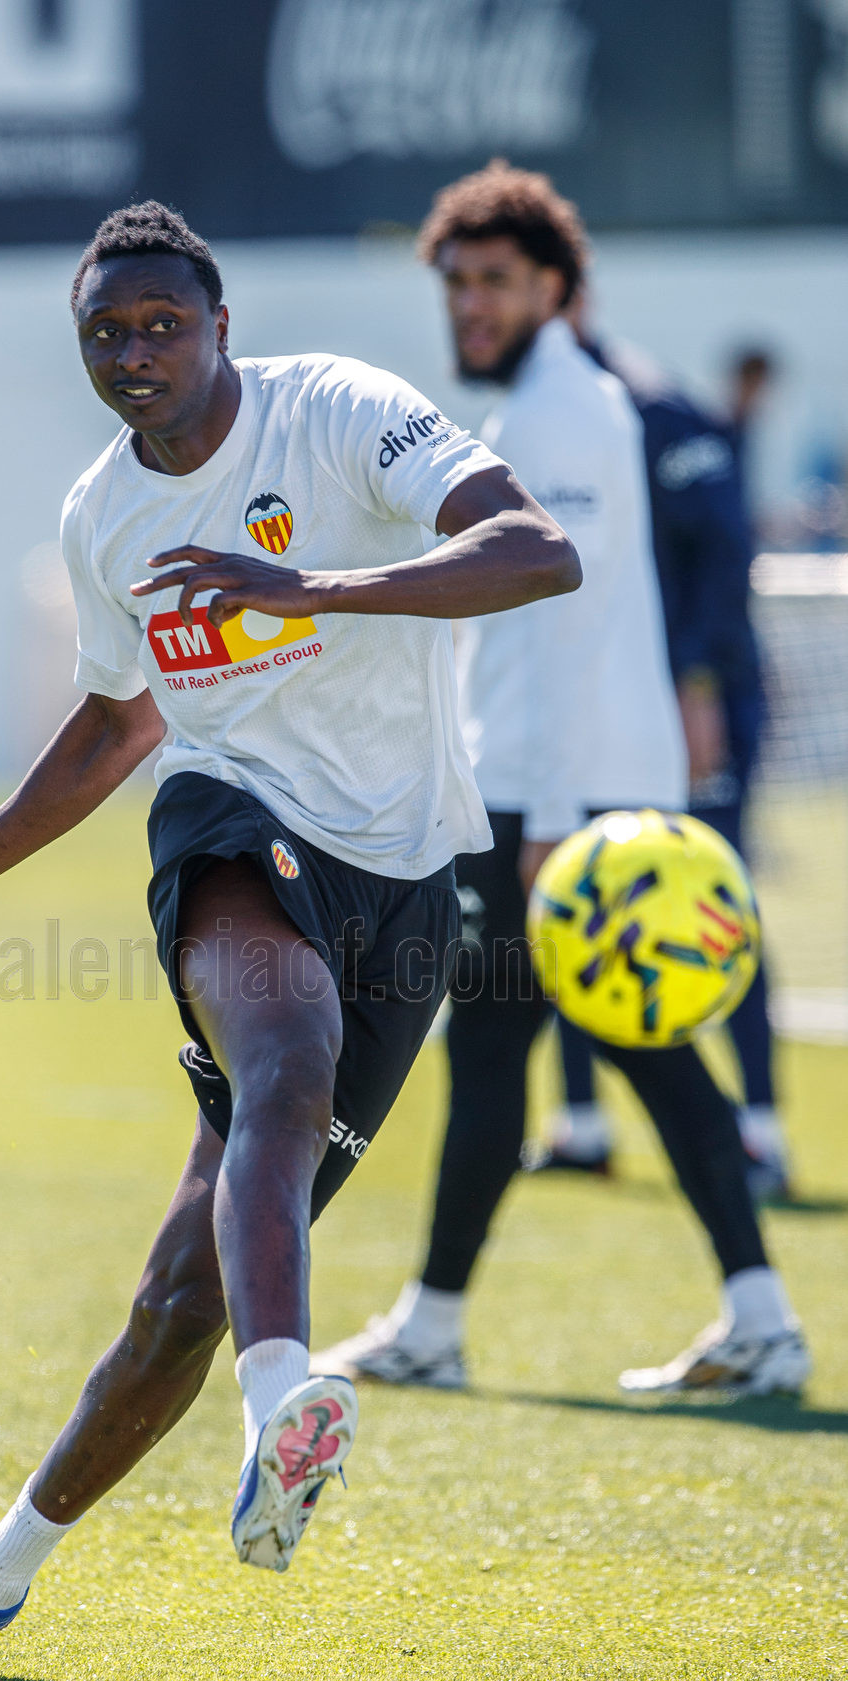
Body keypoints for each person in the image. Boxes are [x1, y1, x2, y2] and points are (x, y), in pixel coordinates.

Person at [0, 200, 581, 1681]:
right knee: (283, 1054)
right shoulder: (104, 516)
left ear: (221, 327)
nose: (134, 353)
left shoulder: (336, 412)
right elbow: (115, 727)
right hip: (228, 818)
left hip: (409, 876)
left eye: (162, 324)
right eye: (106, 333)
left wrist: (308, 587)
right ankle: (285, 1404)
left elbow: (536, 551)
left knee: (178, 1298)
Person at [313, 163, 811, 1402]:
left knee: (577, 1053)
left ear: (554, 287)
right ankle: (462, 1321)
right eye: (455, 282)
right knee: (534, 1053)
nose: (469, 304)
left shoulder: (559, 414)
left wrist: (543, 824)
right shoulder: (552, 403)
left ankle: (453, 1326)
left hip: (557, 805)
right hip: (561, 794)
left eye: (495, 280)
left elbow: (562, 625)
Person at [533, 314, 788, 1199]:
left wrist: (698, 682)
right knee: (574, 894)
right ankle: (581, 1123)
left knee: (719, 895)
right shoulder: (541, 411)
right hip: (598, 703)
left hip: (686, 705)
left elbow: (721, 550)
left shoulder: (651, 407)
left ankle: (759, 1135)